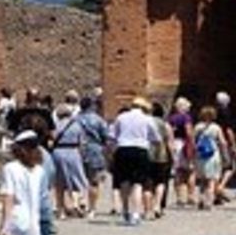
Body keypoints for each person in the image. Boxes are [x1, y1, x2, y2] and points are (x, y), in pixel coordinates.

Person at [110, 96, 161, 226]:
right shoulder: (147, 119)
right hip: (140, 150)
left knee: (124, 182)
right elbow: (156, 138)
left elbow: (112, 136)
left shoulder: (121, 117)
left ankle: (125, 210)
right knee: (137, 183)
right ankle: (136, 213)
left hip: (123, 149)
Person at [50, 103, 90, 218]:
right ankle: (79, 204)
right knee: (78, 179)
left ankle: (60, 209)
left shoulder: (56, 125)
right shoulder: (77, 125)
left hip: (58, 152)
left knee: (59, 183)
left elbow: (52, 139)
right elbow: (82, 142)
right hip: (73, 152)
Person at [74, 96, 109, 214]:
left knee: (78, 178)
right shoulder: (98, 120)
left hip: (78, 150)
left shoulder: (75, 119)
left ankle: (80, 201)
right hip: (95, 149)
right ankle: (92, 208)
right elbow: (105, 136)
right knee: (94, 180)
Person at [193, 105, 228, 210]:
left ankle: (201, 200)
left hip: (200, 155)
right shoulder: (216, 127)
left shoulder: (198, 126)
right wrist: (225, 154)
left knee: (202, 180)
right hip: (213, 154)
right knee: (211, 180)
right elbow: (222, 142)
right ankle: (209, 202)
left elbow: (193, 140)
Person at [168, 97, 196, 207]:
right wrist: (193, 144)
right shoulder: (186, 117)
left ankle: (180, 197)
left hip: (175, 143)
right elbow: (189, 132)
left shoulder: (171, 118)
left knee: (178, 171)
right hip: (185, 144)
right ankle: (190, 196)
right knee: (190, 171)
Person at [148, 102, 174, 219]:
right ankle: (158, 206)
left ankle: (147, 207)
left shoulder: (146, 123)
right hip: (162, 156)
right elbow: (170, 143)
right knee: (161, 182)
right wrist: (173, 157)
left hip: (147, 155)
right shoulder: (166, 125)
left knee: (147, 183)